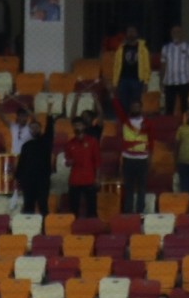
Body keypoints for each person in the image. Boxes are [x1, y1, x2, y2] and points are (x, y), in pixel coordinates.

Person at [109, 86, 152, 214]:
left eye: (137, 107)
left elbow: (151, 141)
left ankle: (140, 211)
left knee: (141, 188)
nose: (135, 108)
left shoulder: (147, 123)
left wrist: (151, 157)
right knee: (128, 187)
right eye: (133, 107)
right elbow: (117, 108)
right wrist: (112, 96)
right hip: (128, 159)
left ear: (141, 108)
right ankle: (128, 212)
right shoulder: (125, 121)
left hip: (142, 159)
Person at [63, 99, 100, 218]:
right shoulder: (69, 144)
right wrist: (68, 162)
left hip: (89, 178)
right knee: (73, 209)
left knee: (92, 209)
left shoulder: (92, 141)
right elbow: (67, 161)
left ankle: (92, 229)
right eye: (75, 125)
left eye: (79, 125)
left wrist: (97, 178)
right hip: (74, 180)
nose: (77, 127)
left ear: (84, 126)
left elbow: (97, 161)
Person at [14, 112, 55, 215]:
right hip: (27, 180)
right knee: (28, 205)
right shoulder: (26, 145)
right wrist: (17, 178)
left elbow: (50, 130)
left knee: (43, 205)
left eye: (36, 127)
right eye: (32, 127)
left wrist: (49, 115)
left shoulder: (46, 141)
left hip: (42, 179)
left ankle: (45, 228)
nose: (34, 129)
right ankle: (29, 228)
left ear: (40, 128)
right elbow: (21, 163)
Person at [160, 25, 189, 115]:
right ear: (171, 34)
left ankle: (184, 126)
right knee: (169, 107)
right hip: (170, 82)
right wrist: (161, 81)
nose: (176, 34)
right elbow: (163, 66)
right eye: (174, 32)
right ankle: (169, 126)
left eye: (178, 32)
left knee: (185, 107)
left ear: (182, 34)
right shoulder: (166, 48)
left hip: (185, 81)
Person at [111, 25, 150, 111]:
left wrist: (146, 82)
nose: (131, 34)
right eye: (129, 31)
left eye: (133, 31)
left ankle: (135, 122)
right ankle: (125, 122)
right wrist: (114, 83)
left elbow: (146, 66)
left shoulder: (143, 49)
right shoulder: (120, 49)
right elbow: (116, 66)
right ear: (126, 34)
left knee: (136, 104)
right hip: (123, 80)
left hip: (137, 80)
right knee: (123, 104)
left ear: (137, 33)